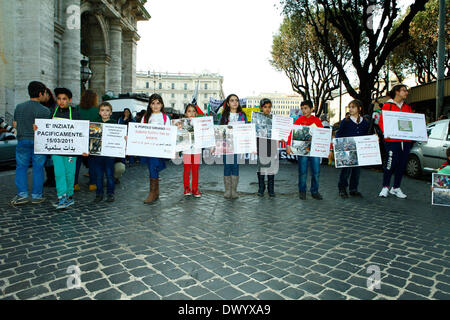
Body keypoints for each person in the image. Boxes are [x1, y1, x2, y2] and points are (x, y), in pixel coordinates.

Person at [10, 81, 51, 205]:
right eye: (44, 93)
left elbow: (15, 125)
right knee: (38, 168)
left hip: (22, 140)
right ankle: (36, 195)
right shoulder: (45, 110)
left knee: (21, 167)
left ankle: (22, 194)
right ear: (40, 94)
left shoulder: (19, 107)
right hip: (38, 142)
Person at [48, 88, 83, 209]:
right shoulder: (51, 112)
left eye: (64, 99)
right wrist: (37, 128)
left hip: (70, 151)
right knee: (58, 173)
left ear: (69, 100)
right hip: (56, 150)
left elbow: (81, 132)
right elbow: (46, 129)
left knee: (69, 173)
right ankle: (61, 196)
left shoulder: (76, 113)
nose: (61, 101)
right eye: (59, 99)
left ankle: (69, 196)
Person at [378, 84, 413, 199]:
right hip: (392, 140)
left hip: (405, 140)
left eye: (406, 91)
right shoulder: (388, 105)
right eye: (404, 90)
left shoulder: (407, 107)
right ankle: (385, 187)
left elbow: (411, 122)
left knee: (402, 164)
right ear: (397, 92)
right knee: (390, 163)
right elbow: (382, 122)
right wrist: (386, 133)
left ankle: (396, 187)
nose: (406, 93)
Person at [286, 100, 324, 200]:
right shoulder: (298, 120)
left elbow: (323, 135)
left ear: (312, 109)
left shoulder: (317, 121)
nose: (303, 110)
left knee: (316, 172)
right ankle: (302, 191)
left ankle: (314, 191)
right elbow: (292, 133)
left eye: (306, 108)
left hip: (315, 151)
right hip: (302, 151)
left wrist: (327, 149)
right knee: (302, 172)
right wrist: (288, 145)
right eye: (302, 108)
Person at [334, 100, 370, 198]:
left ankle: (353, 189)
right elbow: (339, 133)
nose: (350, 109)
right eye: (349, 107)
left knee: (356, 171)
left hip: (359, 150)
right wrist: (337, 145)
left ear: (359, 109)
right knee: (346, 170)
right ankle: (342, 188)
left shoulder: (365, 122)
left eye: (353, 107)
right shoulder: (346, 121)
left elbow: (367, 135)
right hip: (347, 149)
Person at [141, 94, 170, 204]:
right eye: (153, 103)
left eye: (158, 103)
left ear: (162, 104)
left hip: (159, 147)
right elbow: (140, 130)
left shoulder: (165, 117)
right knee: (151, 167)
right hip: (148, 147)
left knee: (154, 166)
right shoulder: (146, 117)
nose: (155, 105)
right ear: (149, 105)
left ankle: (153, 192)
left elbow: (168, 132)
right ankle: (154, 191)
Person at [219, 94, 248, 199]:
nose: (234, 102)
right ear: (228, 103)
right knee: (227, 166)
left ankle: (234, 190)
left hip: (238, 145)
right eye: (232, 100)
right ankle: (227, 190)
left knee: (235, 166)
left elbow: (247, 130)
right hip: (227, 145)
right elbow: (219, 130)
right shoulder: (224, 116)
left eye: (236, 100)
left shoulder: (242, 115)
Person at [75, 89, 99, 192]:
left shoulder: (77, 108)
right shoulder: (97, 110)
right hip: (93, 138)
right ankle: (93, 183)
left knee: (77, 163)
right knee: (93, 162)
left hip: (79, 138)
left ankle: (74, 184)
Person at [93, 102, 117, 203]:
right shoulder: (95, 124)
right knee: (98, 175)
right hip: (97, 154)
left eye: (107, 110)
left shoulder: (114, 124)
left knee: (110, 175)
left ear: (111, 112)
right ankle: (99, 194)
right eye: (102, 110)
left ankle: (110, 194)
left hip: (110, 154)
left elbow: (118, 137)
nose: (105, 112)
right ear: (99, 112)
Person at [256, 98, 277, 197]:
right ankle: (261, 187)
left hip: (272, 144)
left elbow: (278, 131)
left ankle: (271, 188)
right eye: (265, 107)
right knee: (261, 168)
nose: (267, 109)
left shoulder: (275, 119)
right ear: (261, 108)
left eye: (269, 107)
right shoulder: (256, 118)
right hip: (261, 144)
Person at [182, 104, 202, 197]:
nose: (192, 113)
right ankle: (186, 188)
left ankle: (195, 188)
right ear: (186, 113)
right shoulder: (182, 123)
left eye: (194, 111)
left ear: (197, 113)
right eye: (189, 111)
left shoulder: (200, 123)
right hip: (186, 150)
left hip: (196, 150)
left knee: (195, 170)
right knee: (187, 170)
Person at [41, 88, 57, 188]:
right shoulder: (41, 106)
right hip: (44, 136)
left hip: (53, 135)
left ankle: (53, 178)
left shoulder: (54, 106)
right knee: (46, 159)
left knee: (52, 159)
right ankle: (49, 178)